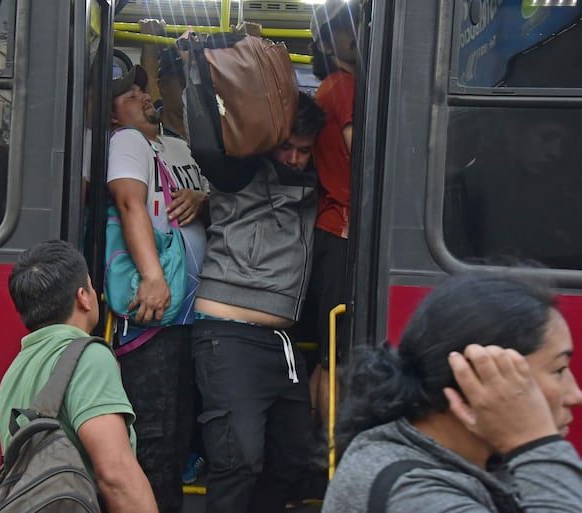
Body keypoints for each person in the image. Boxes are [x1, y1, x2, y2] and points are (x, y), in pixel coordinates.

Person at [322, 271, 582, 512]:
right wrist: (535, 444)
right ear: (474, 379)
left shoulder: (484, 461)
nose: (575, 396)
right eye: (558, 370)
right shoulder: (414, 494)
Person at [189, 92, 326, 513]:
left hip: (281, 343)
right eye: (286, 147)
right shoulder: (239, 171)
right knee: (238, 460)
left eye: (305, 151)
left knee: (293, 461)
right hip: (228, 336)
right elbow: (210, 145)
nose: (295, 158)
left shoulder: (315, 181)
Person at [106, 64, 210, 513]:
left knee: (176, 433)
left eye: (141, 90)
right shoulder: (127, 141)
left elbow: (208, 198)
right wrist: (153, 277)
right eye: (129, 96)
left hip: (184, 313)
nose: (143, 97)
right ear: (112, 117)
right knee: (156, 436)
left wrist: (204, 200)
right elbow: (131, 202)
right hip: (157, 312)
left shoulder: (176, 146)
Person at [0, 240, 158, 513]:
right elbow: (116, 475)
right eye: (92, 287)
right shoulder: (88, 356)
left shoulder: (15, 370)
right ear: (83, 296)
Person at [305, 1, 360, 448]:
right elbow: (362, 156)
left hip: (331, 228)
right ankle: (328, 455)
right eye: (348, 28)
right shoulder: (343, 86)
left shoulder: (331, 86)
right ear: (328, 41)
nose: (358, 32)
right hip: (342, 229)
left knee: (332, 355)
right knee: (335, 357)